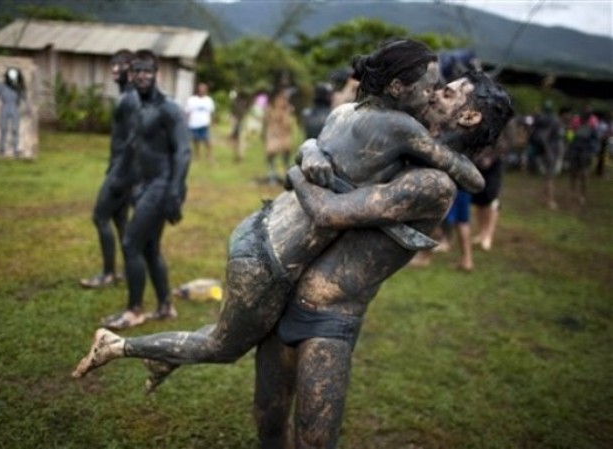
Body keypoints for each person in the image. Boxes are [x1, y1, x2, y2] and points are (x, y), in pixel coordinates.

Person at [72, 37, 483, 378]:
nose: (433, 95)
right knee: (221, 345)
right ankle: (119, 344)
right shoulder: (402, 127)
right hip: (270, 259)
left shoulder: (344, 111)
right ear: (397, 87)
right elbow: (467, 176)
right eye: (430, 86)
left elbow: (311, 149)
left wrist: (306, 154)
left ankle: (165, 357)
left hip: (260, 227)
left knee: (230, 338)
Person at [254, 70, 513, 448]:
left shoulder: (432, 183)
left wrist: (297, 171)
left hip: (327, 321)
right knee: (269, 425)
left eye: (449, 92)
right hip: (287, 290)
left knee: (313, 442)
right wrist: (310, 147)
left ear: (469, 116)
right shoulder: (400, 144)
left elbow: (328, 212)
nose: (435, 93)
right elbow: (331, 141)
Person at [100, 49, 191, 330]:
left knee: (130, 244)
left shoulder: (169, 108)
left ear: (156, 74)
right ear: (131, 74)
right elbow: (132, 145)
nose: (142, 76)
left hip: (164, 185)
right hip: (144, 184)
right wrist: (120, 177)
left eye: (147, 71)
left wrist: (175, 193)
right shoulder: (136, 106)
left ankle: (134, 310)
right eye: (137, 71)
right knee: (150, 247)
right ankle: (165, 306)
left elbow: (183, 152)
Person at [80, 49, 135, 289]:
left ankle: (108, 274)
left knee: (100, 216)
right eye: (113, 64)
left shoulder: (130, 98)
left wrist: (118, 173)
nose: (114, 69)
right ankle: (125, 270)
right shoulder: (126, 95)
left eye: (120, 65)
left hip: (123, 171)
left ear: (130, 70)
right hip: (122, 169)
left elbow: (134, 140)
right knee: (119, 219)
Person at [472, 122, 512, 251]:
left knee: (492, 198)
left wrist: (492, 157)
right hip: (478, 163)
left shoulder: (505, 121)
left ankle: (488, 235)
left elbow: (507, 142)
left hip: (494, 164)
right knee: (478, 199)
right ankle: (481, 232)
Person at [0, 67, 31, 157]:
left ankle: (15, 149)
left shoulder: (19, 87)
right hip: (5, 107)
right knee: (3, 129)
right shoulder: (0, 86)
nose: (13, 76)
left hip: (15, 108)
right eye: (11, 74)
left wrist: (28, 109)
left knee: (15, 129)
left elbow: (25, 99)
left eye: (15, 74)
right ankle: (1, 148)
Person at [529, 101, 563, 210]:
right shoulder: (554, 120)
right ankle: (550, 200)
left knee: (548, 177)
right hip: (551, 151)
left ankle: (544, 197)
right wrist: (549, 151)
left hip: (544, 151)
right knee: (550, 178)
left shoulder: (541, 119)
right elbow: (544, 137)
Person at [262, 86, 295, 185]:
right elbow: (267, 120)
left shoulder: (286, 108)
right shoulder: (270, 109)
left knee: (286, 156)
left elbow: (288, 123)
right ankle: (272, 174)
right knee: (271, 155)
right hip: (274, 134)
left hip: (283, 134)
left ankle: (286, 175)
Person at [185, 82, 216, 163]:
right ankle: (197, 156)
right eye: (200, 89)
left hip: (204, 124)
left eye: (203, 89)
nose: (202, 90)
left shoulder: (209, 100)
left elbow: (212, 113)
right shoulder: (192, 100)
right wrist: (185, 123)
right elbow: (187, 112)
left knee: (207, 141)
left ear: (206, 90)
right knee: (196, 141)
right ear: (197, 90)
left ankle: (209, 157)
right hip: (193, 124)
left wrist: (212, 123)